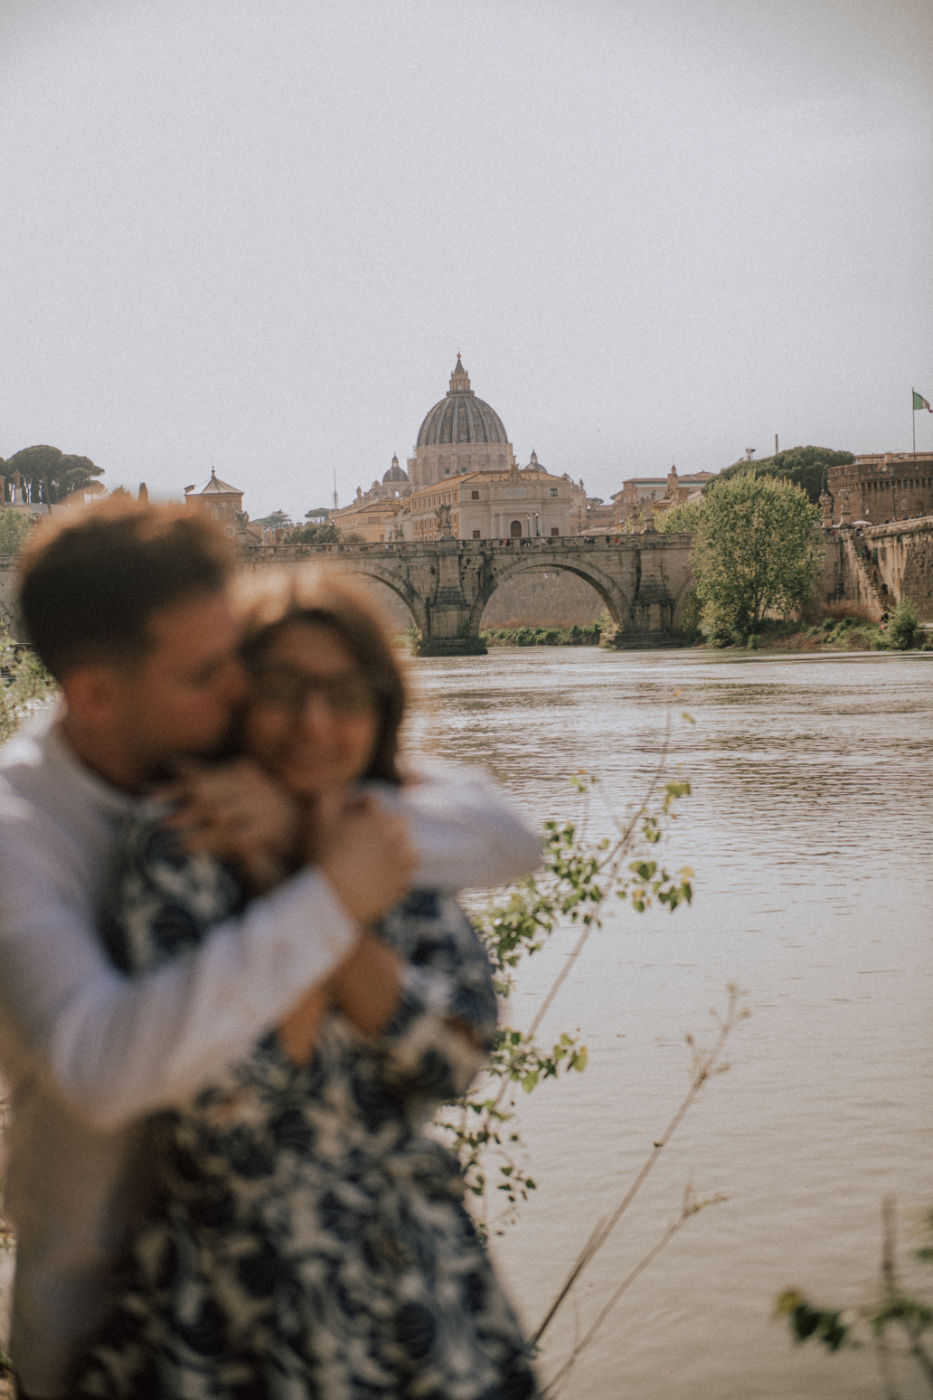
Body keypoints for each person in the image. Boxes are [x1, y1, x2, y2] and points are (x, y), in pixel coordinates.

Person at [0, 499, 540, 1398]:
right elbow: (114, 1073)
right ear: (95, 693)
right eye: (216, 671)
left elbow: (504, 840)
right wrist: (330, 896)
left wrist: (300, 830)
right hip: (138, 1303)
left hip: (416, 1292)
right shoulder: (27, 834)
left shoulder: (264, 779)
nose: (245, 696)